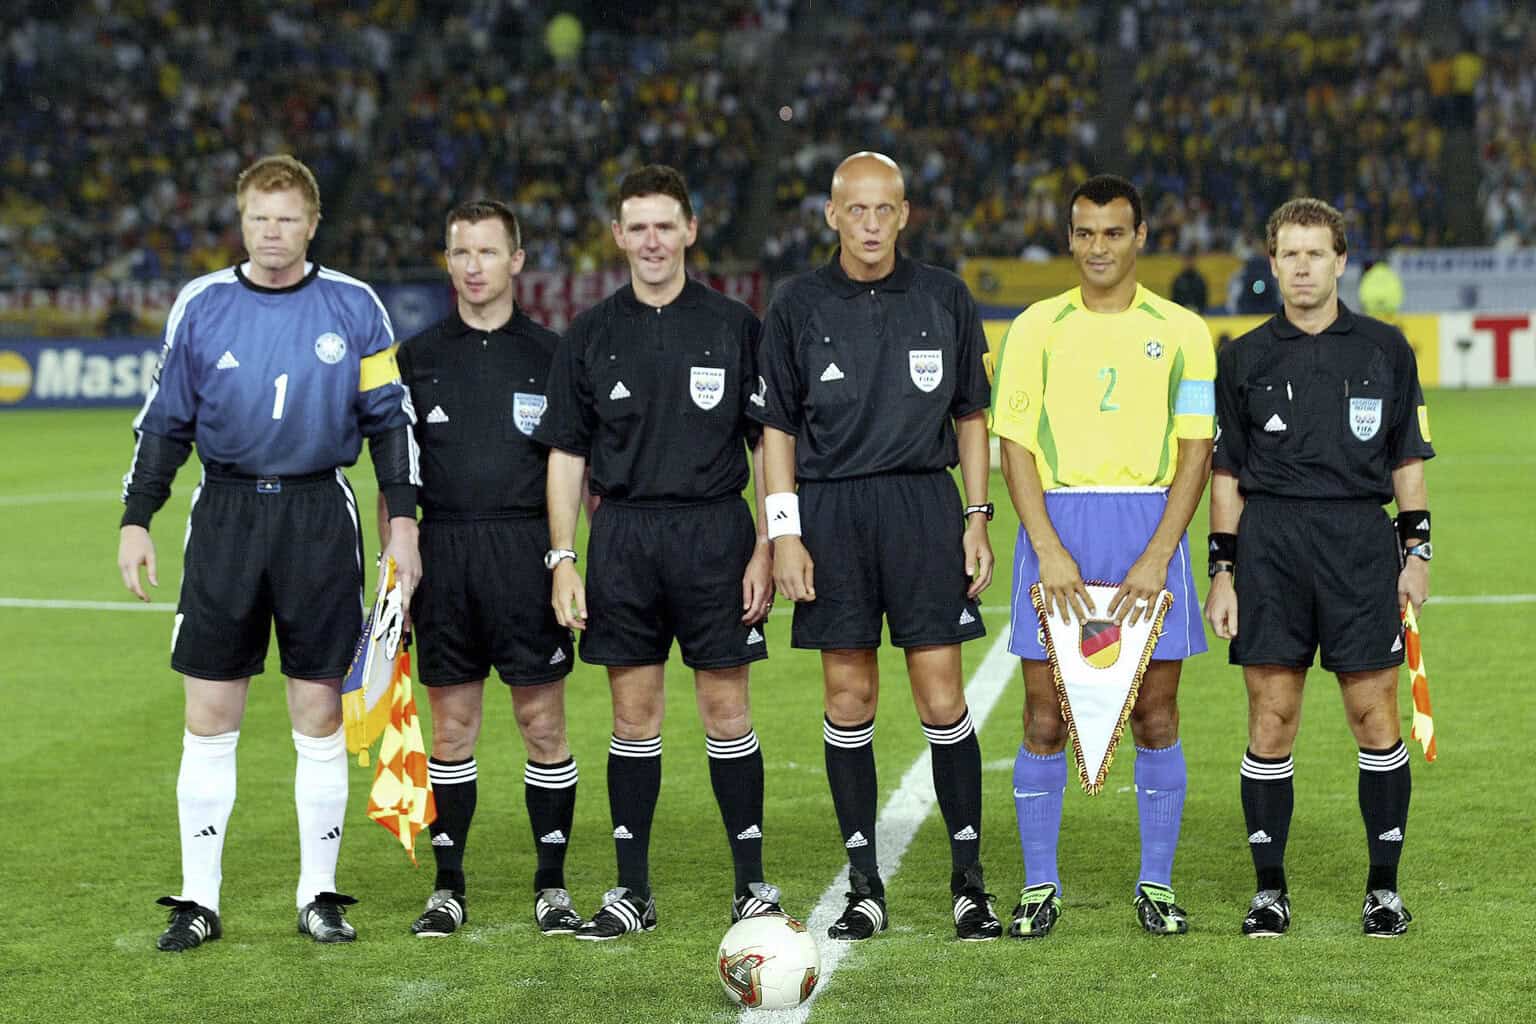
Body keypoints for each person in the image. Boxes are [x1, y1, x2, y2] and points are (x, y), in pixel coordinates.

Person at [117, 154, 422, 952]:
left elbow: (390, 420)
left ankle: (318, 895)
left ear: (312, 224)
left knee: (318, 714)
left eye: (287, 218)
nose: (272, 232)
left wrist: (404, 523)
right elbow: (164, 422)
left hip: (320, 515)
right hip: (225, 514)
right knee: (209, 715)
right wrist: (137, 517)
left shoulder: (354, 305)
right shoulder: (203, 303)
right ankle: (198, 899)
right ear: (242, 220)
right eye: (259, 217)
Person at [752, 152, 1002, 942]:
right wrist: (785, 534)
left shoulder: (944, 295)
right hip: (832, 512)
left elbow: (971, 415)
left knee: (941, 698)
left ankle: (969, 884)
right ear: (832, 215)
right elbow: (777, 429)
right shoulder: (796, 303)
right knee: (848, 698)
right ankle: (864, 886)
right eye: (854, 210)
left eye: (883, 209)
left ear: (904, 215)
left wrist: (977, 516)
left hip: (923, 506)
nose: (869, 224)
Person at [534, 164, 782, 940]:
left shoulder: (735, 325)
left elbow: (768, 445)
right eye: (637, 227)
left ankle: (751, 887)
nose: (651, 240)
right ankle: (631, 891)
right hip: (624, 538)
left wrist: (768, 544)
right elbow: (567, 455)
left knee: (727, 711)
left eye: (664, 226)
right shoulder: (589, 334)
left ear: (690, 231)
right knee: (633, 717)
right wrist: (563, 558)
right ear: (617, 235)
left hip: (717, 536)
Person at [990, 174, 1214, 939]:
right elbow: (1014, 445)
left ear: (1140, 236)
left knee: (1156, 713)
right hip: (1059, 526)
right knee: (1043, 716)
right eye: (1084, 233)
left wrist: (1160, 553)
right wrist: (1046, 546)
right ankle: (1038, 886)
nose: (1097, 247)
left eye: (1113, 232)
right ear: (1069, 237)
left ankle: (1156, 885)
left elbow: (1197, 449)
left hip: (1150, 525)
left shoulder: (1184, 331)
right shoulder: (1034, 328)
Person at [1204, 197, 1433, 939]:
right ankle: (1269, 891)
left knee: (1375, 717)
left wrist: (1418, 554)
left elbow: (1407, 460)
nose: (1302, 267)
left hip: (1360, 544)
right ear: (1272, 264)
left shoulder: (1386, 349)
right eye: (1289, 255)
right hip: (1270, 545)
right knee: (1271, 719)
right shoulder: (1241, 356)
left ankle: (1383, 891)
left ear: (1341, 261)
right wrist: (1222, 570)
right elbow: (1226, 473)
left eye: (1316, 253)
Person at [384, 200, 582, 938]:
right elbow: (396, 478)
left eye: (488, 252)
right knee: (452, 728)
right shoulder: (416, 358)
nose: (474, 267)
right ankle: (448, 887)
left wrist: (567, 561)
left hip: (527, 553)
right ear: (448, 261)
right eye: (461, 252)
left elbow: (573, 469)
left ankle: (551, 884)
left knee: (542, 723)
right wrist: (396, 567)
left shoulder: (553, 354)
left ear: (517, 261)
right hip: (443, 556)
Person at [1170, 249, 1209, 313]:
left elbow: (1204, 300)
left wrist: (1197, 309)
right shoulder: (1178, 280)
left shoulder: (1200, 280)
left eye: (1191, 260)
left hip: (1197, 313)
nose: (1189, 263)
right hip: (1181, 313)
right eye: (1187, 260)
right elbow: (1174, 300)